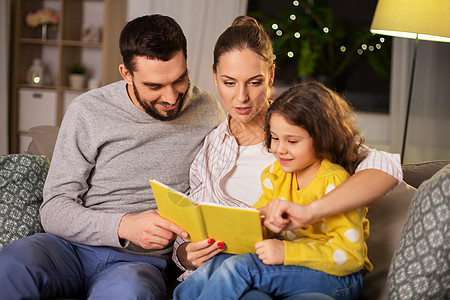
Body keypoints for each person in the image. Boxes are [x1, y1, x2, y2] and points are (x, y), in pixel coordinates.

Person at [0, 14, 225, 299]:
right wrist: (124, 225)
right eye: (154, 86)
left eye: (179, 80)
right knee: (11, 265)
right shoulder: (88, 110)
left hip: (138, 262)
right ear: (126, 73)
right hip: (67, 248)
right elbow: (54, 208)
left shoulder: (208, 111)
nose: (170, 97)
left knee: (130, 293)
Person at [172, 15, 402, 286]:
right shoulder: (209, 146)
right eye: (229, 82)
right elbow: (186, 232)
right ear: (214, 76)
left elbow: (386, 168)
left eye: (254, 82)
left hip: (278, 273)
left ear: (270, 75)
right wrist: (186, 254)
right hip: (215, 276)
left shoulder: (301, 133)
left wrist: (311, 211)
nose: (241, 97)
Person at [174, 81, 374, 299]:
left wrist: (286, 252)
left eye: (292, 141)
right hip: (293, 271)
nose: (279, 149)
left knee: (242, 267)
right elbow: (258, 221)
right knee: (222, 262)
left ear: (322, 138)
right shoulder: (278, 175)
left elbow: (350, 255)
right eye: (275, 138)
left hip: (338, 277)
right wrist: (255, 222)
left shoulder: (334, 181)